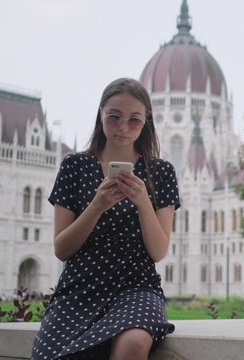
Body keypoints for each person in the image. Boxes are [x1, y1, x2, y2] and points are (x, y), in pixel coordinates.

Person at [31, 78, 179, 360]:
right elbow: (62, 249)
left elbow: (158, 251)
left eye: (134, 120)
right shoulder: (74, 166)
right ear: (101, 115)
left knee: (134, 342)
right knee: (51, 353)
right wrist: (96, 206)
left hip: (137, 286)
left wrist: (142, 201)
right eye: (114, 117)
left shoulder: (161, 172)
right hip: (80, 287)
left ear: (146, 121)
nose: (123, 127)